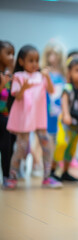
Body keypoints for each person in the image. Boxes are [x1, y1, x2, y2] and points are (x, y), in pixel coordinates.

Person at [7, 45, 62, 189]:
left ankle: (47, 177)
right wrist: (24, 88)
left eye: (36, 60)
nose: (34, 64)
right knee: (21, 147)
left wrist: (47, 77)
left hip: (39, 118)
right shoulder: (18, 77)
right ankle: (12, 177)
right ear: (21, 61)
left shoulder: (40, 76)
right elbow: (17, 97)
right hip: (25, 119)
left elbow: (51, 90)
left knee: (47, 146)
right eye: (30, 60)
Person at [53, 58, 78, 182]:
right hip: (65, 121)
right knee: (61, 144)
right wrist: (66, 114)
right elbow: (64, 101)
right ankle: (52, 171)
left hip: (77, 123)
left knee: (71, 148)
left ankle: (65, 172)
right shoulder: (68, 87)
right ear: (70, 73)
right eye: (77, 70)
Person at [40, 41, 67, 180]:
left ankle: (55, 168)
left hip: (61, 113)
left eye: (55, 54)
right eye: (50, 54)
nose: (53, 57)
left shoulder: (64, 73)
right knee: (48, 142)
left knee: (61, 142)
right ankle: (48, 170)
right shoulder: (45, 72)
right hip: (47, 112)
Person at [0, 40, 16, 189]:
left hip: (6, 117)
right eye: (8, 53)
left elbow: (12, 94)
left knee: (7, 147)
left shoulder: (9, 75)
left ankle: (6, 175)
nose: (11, 56)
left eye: (13, 53)